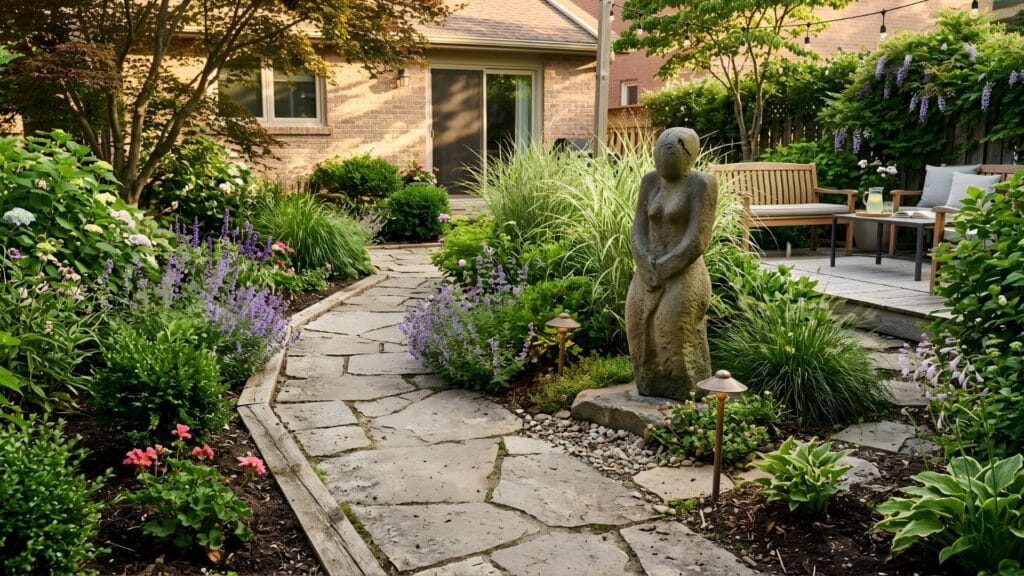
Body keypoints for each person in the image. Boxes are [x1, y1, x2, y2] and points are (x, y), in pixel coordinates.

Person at [626, 127, 717, 400]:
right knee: (636, 323)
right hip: (647, 270)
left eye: (674, 149)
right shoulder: (650, 182)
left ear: (689, 154)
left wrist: (664, 267)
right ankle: (649, 383)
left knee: (671, 328)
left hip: (684, 273)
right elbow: (638, 229)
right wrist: (644, 262)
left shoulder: (701, 184)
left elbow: (698, 238)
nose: (664, 156)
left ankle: (687, 391)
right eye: (661, 149)